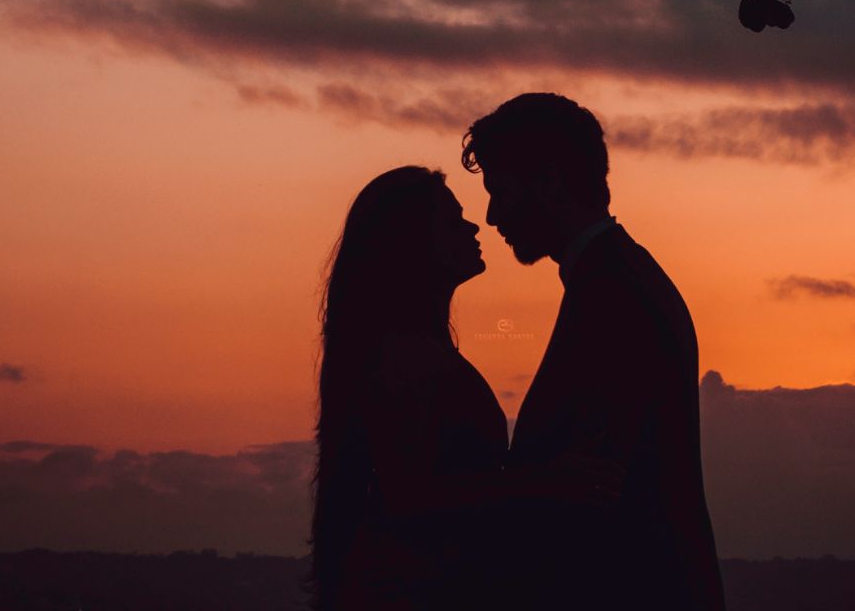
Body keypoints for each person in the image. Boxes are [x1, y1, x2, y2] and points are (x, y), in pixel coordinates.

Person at [310, 165, 620, 611]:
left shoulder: (413, 352)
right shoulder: (404, 357)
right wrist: (546, 480)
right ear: (413, 242)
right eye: (453, 218)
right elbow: (411, 493)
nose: (475, 225)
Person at [463, 93, 725, 611]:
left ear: (548, 182)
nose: (492, 216)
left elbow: (593, 483)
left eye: (500, 191)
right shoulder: (617, 277)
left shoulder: (613, 291)